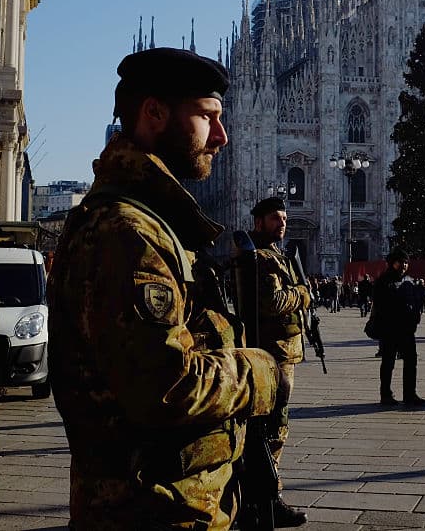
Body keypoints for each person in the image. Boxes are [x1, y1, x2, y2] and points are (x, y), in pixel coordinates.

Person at [47, 47, 282, 530]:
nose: (222, 135)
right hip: (150, 511)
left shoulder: (151, 222)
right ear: (154, 113)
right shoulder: (127, 234)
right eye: (207, 116)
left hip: (171, 504)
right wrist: (261, 371)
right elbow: (168, 386)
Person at [247, 196, 312, 527]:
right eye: (275, 218)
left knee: (271, 429)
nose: (283, 223)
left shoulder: (273, 255)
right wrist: (302, 293)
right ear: (259, 222)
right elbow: (272, 302)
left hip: (282, 350)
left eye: (284, 218)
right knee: (273, 430)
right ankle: (268, 502)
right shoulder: (261, 258)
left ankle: (259, 500)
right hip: (273, 354)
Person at [372, 248, 425, 407]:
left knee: (411, 361)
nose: (404, 265)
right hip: (390, 328)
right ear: (392, 263)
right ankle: (386, 394)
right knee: (388, 362)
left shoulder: (409, 281)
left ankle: (410, 394)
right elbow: (380, 305)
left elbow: (416, 301)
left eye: (406, 262)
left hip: (407, 329)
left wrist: (415, 316)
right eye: (400, 262)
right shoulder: (383, 281)